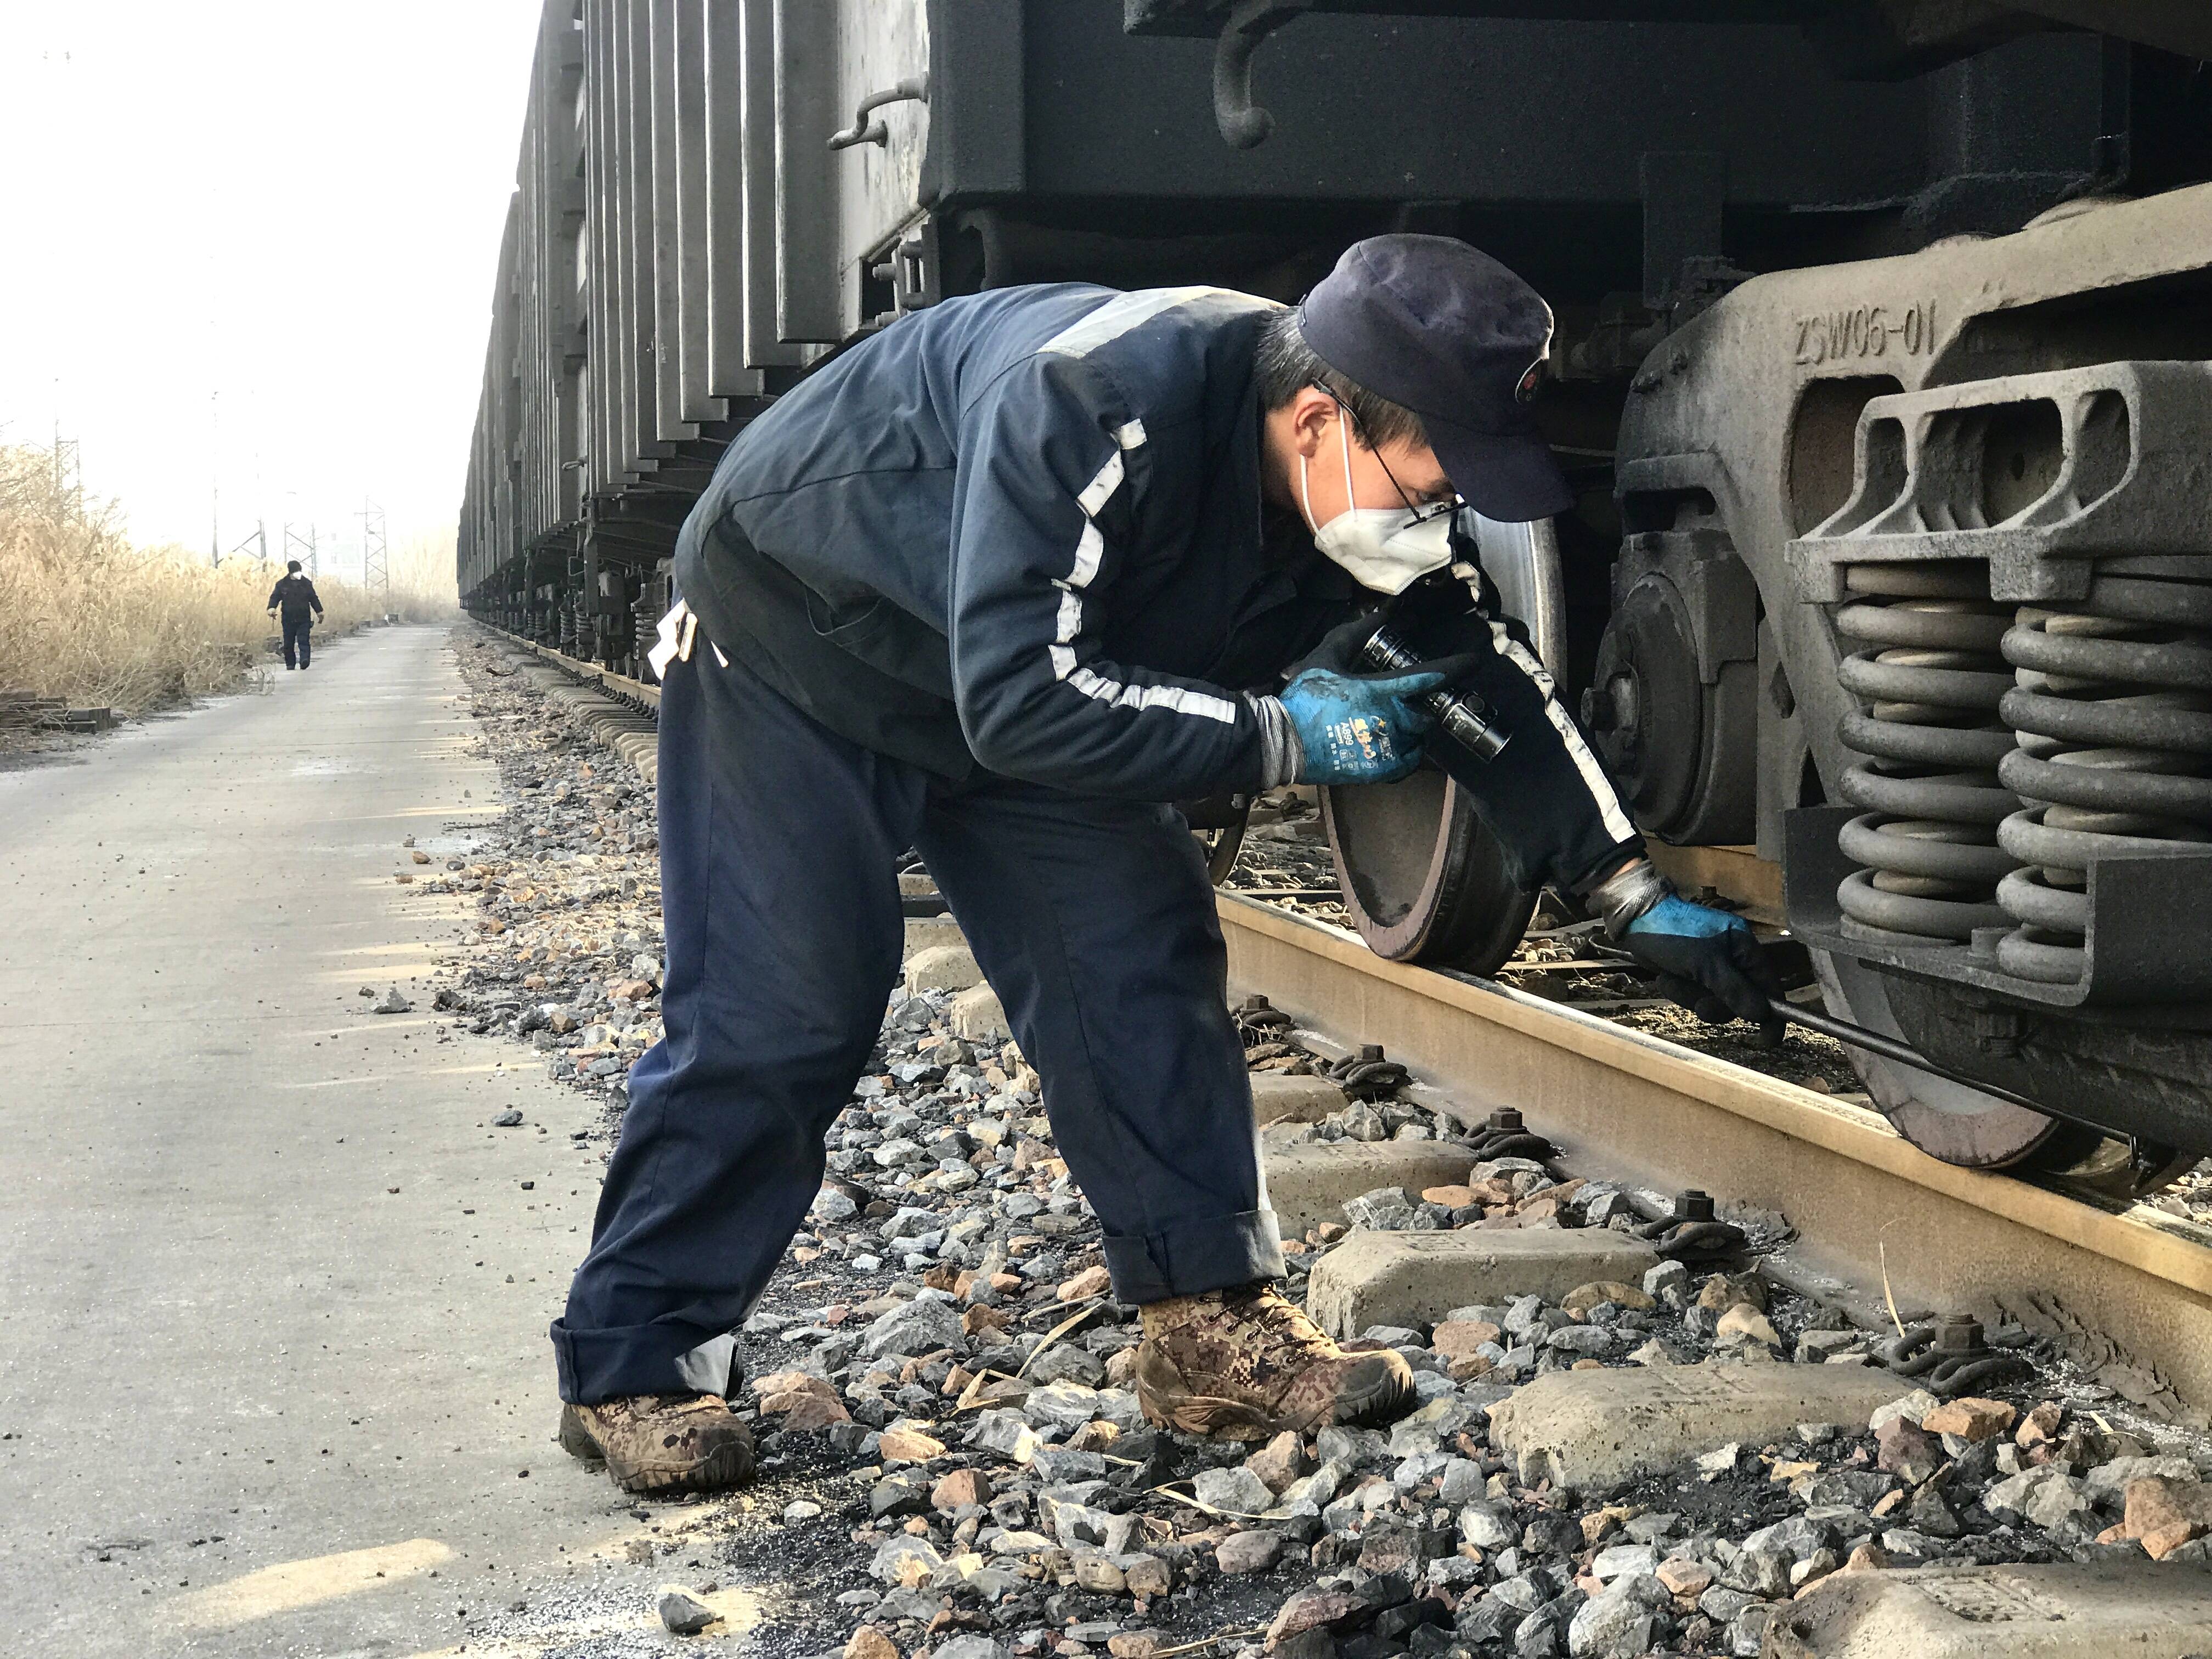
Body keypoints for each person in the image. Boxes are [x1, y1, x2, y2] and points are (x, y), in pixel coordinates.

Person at [551, 237, 1780, 1495]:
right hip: (800, 646)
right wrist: (1285, 738)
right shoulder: (1095, 403)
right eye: (1435, 477)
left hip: (1021, 673)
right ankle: (634, 1363)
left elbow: (1483, 675)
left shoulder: (1351, 488)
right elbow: (1024, 703)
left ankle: (1205, 1333)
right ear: (1318, 422)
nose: (1443, 507)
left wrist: (1630, 894)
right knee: (787, 1008)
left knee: (1139, 955)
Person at [266, 561, 324, 670]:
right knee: (288, 643)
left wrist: (319, 612)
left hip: (304, 618)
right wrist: (271, 608)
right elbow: (275, 597)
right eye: (296, 571)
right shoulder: (282, 584)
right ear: (290, 571)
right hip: (288, 618)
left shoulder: (306, 583)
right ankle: (290, 664)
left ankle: (305, 660)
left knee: (304, 640)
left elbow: (313, 598)